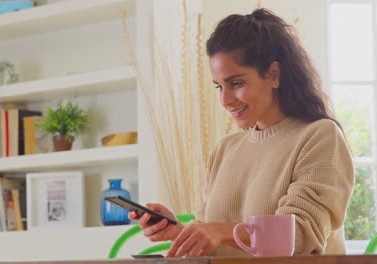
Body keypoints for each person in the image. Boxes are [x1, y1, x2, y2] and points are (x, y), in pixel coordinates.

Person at [129, 8, 354, 257]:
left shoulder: (319, 136)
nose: (225, 100)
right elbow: (216, 240)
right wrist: (180, 231)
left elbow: (300, 236)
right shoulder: (225, 149)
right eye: (219, 86)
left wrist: (220, 231)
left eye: (236, 83)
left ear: (274, 75)